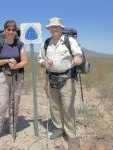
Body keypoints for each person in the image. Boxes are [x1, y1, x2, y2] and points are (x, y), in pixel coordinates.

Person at [38, 17, 82, 148]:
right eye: (52, 27)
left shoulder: (70, 41)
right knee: (54, 106)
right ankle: (58, 128)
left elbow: (78, 53)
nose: (54, 29)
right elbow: (40, 58)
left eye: (56, 27)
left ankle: (71, 135)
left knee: (68, 107)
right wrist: (44, 63)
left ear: (61, 28)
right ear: (49, 29)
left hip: (67, 78)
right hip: (51, 78)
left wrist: (78, 58)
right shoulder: (46, 43)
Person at [0, 20, 28, 141]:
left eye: (13, 29)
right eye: (8, 29)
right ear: (4, 30)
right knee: (1, 104)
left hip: (17, 76)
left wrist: (16, 65)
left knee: (14, 103)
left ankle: (13, 127)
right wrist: (7, 61)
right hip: (2, 76)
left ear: (15, 31)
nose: (11, 32)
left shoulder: (20, 44)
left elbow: (24, 61)